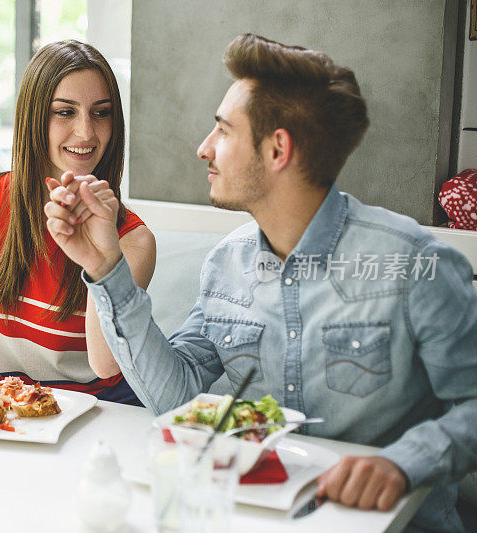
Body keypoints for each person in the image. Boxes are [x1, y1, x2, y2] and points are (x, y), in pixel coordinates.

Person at [45, 34, 477, 530]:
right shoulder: (226, 266)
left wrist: (404, 463)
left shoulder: (416, 265)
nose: (204, 148)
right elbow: (174, 396)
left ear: (277, 149)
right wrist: (105, 270)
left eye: (224, 131)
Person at [0, 40, 156, 405]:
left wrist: (101, 255)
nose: (87, 133)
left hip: (104, 422)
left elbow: (108, 364)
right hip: (14, 417)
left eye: (101, 113)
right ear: (33, 117)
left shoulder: (133, 240)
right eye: (65, 112)